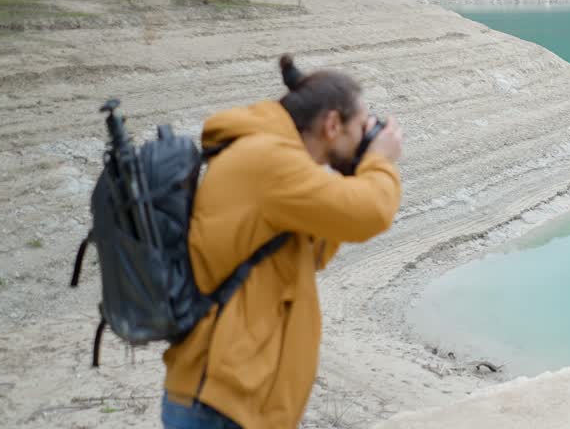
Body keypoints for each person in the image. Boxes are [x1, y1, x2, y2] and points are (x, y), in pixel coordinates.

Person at [161, 55, 404, 429]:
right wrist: (379, 162)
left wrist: (354, 167)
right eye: (359, 128)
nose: (363, 137)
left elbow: (314, 251)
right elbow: (370, 212)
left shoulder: (272, 157)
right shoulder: (269, 160)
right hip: (221, 400)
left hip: (234, 395)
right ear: (332, 124)